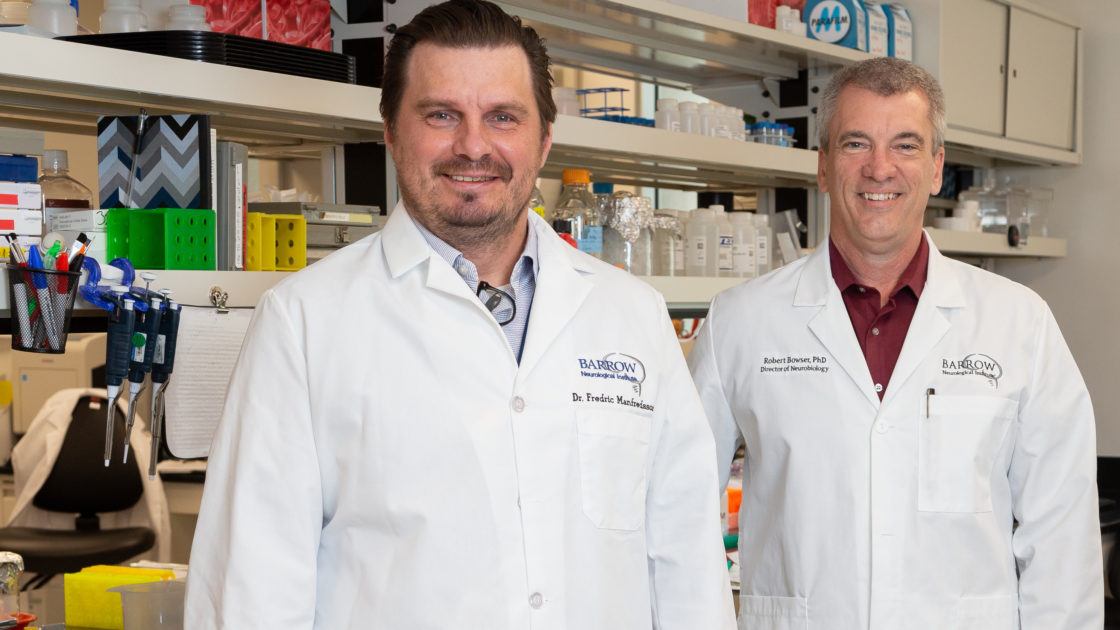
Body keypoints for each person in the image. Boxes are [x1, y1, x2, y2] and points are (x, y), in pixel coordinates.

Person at [185, 1, 735, 628]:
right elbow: (251, 588)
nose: (473, 146)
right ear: (392, 131)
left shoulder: (631, 314)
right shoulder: (305, 322)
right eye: (442, 114)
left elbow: (687, 559)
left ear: (544, 139)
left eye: (503, 116)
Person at [688, 57, 1102, 629]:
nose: (879, 169)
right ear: (824, 166)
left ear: (935, 168)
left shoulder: (1018, 323)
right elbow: (678, 508)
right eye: (856, 143)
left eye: (905, 146)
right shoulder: (742, 320)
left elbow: (1063, 538)